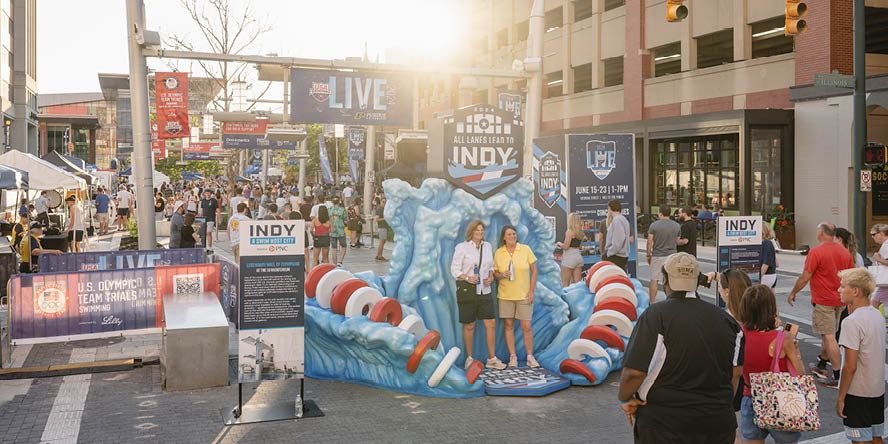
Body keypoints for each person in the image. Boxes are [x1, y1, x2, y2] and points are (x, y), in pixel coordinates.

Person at [619, 252, 743, 443]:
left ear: (665, 280)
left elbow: (635, 372)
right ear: (696, 281)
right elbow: (735, 375)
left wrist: (625, 398)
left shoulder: (656, 316)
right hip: (717, 424)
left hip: (665, 425)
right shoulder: (728, 322)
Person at [787, 222, 855, 387]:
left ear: (822, 234)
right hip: (840, 300)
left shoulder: (816, 252)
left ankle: (837, 375)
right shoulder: (845, 253)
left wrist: (793, 292)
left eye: (818, 232)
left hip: (823, 300)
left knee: (829, 336)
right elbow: (851, 278)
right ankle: (822, 364)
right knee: (828, 332)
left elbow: (805, 276)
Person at [737, 284, 805, 444]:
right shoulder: (783, 338)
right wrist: (795, 348)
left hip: (750, 397)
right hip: (781, 400)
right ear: (771, 308)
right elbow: (801, 374)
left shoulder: (740, 333)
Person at [834, 268, 885, 444]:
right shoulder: (877, 315)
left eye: (842, 286)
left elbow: (850, 366)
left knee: (860, 440)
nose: (839, 290)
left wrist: (841, 398)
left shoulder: (851, 322)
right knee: (876, 436)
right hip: (876, 389)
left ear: (855, 291)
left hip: (857, 392)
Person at [450, 220, 506, 371]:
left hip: (485, 291)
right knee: (469, 325)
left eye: (482, 230)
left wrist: (491, 277)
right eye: (477, 230)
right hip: (468, 291)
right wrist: (467, 278)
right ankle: (469, 358)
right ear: (471, 232)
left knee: (491, 323)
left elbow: (491, 266)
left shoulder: (487, 246)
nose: (480, 233)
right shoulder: (461, 247)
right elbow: (454, 269)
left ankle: (492, 358)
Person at [493, 225, 539, 369]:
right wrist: (501, 275)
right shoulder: (499, 253)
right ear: (504, 237)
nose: (512, 236)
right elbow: (495, 273)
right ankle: (513, 357)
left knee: (526, 326)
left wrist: (531, 291)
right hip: (505, 296)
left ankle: (530, 357)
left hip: (524, 295)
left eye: (514, 234)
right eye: (509, 234)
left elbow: (534, 270)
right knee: (508, 325)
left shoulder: (525, 249)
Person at [646, 206, 680, 304]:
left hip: (657, 255)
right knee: (669, 280)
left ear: (660, 213)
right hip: (672, 256)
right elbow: (677, 241)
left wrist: (648, 255)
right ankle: (670, 301)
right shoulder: (676, 225)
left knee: (655, 279)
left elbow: (649, 242)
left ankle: (651, 303)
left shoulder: (654, 225)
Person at [556, 212, 584, 287]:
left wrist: (559, 243)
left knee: (565, 285)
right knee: (577, 285)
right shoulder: (580, 232)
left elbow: (566, 247)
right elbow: (580, 246)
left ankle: (565, 299)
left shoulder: (569, 232)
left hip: (569, 258)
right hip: (578, 257)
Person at [603, 199, 631, 271]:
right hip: (622, 255)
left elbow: (618, 241)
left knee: (612, 278)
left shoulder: (617, 220)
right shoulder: (623, 219)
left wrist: (609, 253)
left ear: (610, 208)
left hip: (616, 256)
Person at [870, 224, 888, 312]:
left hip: (886, 283)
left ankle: (876, 323)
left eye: (873, 234)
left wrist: (878, 259)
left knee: (874, 303)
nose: (872, 237)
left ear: (881, 233)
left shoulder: (886, 245)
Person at [329, 197, 347, 265]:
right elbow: (345, 220)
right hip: (341, 231)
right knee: (344, 247)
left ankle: (334, 263)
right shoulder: (342, 210)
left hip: (332, 231)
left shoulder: (329, 209)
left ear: (333, 202)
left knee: (334, 248)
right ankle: (340, 261)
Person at [760, 224, 779, 288]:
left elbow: (766, 263)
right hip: (771, 275)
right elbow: (777, 264)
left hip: (765, 276)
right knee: (770, 297)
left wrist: (758, 277)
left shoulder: (765, 243)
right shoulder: (769, 243)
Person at [375, 197, 388, 262]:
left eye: (385, 202)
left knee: (382, 242)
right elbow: (377, 219)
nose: (384, 203)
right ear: (380, 202)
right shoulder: (380, 209)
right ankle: (379, 256)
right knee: (382, 242)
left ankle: (378, 255)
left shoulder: (383, 209)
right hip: (381, 227)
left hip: (383, 227)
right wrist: (385, 219)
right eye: (383, 202)